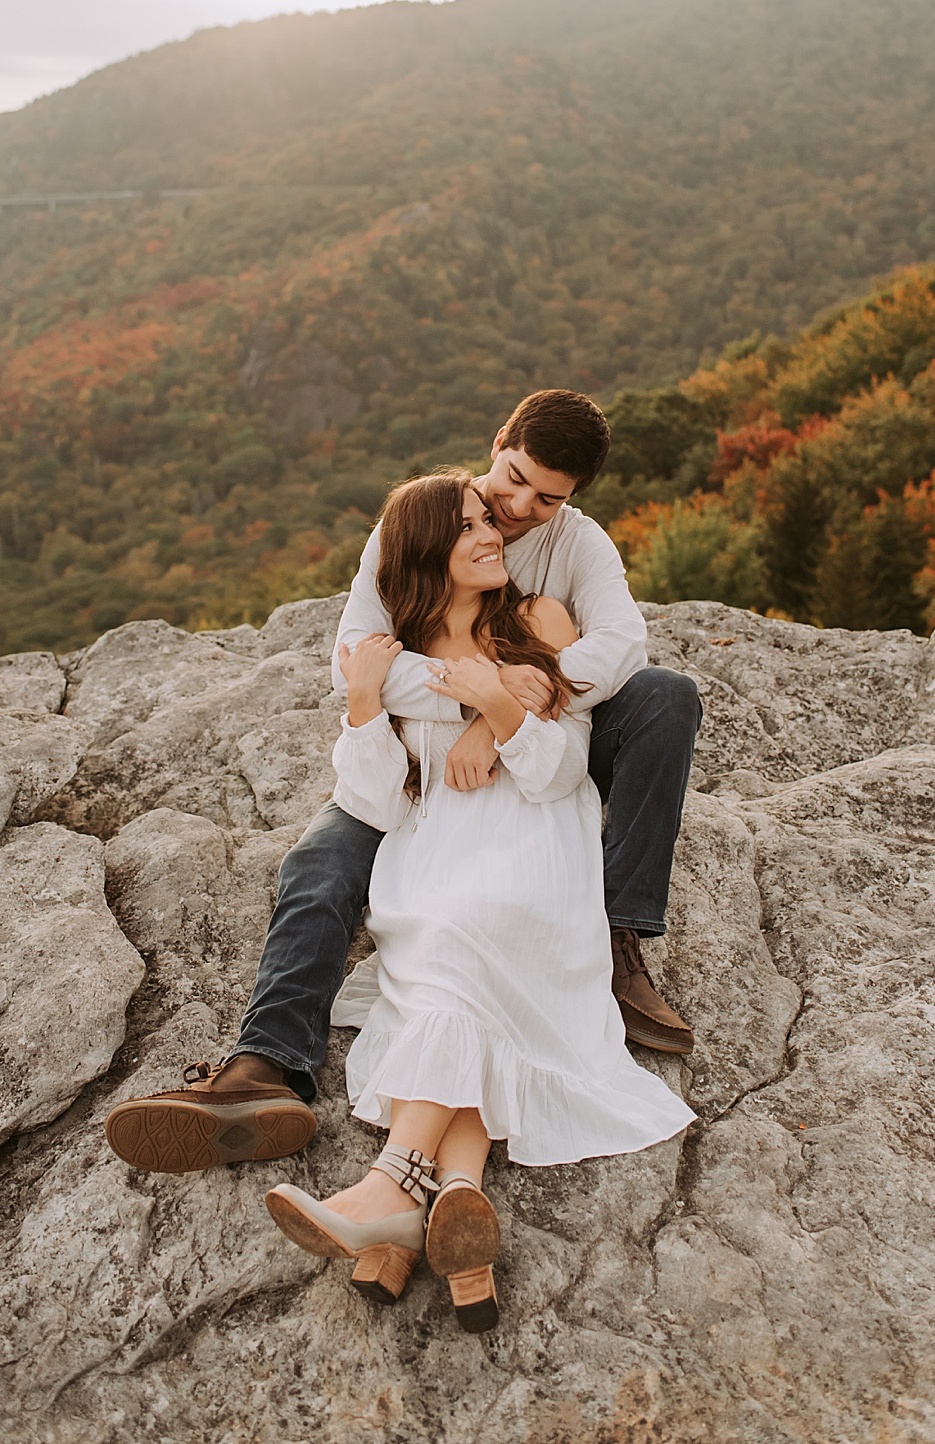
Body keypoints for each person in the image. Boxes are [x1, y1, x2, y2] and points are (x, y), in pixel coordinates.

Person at [103, 389, 704, 1174]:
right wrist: (474, 694)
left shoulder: (578, 549)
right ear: (499, 443)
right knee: (319, 868)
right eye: (513, 478)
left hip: (542, 741)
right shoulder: (419, 521)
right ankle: (265, 1066)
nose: (518, 507)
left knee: (664, 696)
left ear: (573, 497)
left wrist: (510, 705)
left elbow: (621, 645)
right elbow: (358, 662)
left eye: (546, 497)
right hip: (413, 760)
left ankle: (620, 942)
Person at [260, 471, 693, 1330]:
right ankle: (453, 1197)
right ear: (427, 553)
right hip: (431, 848)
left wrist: (496, 701)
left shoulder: (540, 623)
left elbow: (564, 771)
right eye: (468, 528)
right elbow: (376, 805)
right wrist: (360, 706)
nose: (492, 532)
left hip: (535, 840)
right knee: (450, 945)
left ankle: (389, 1188)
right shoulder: (390, 654)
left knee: (466, 940)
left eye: (485, 522)